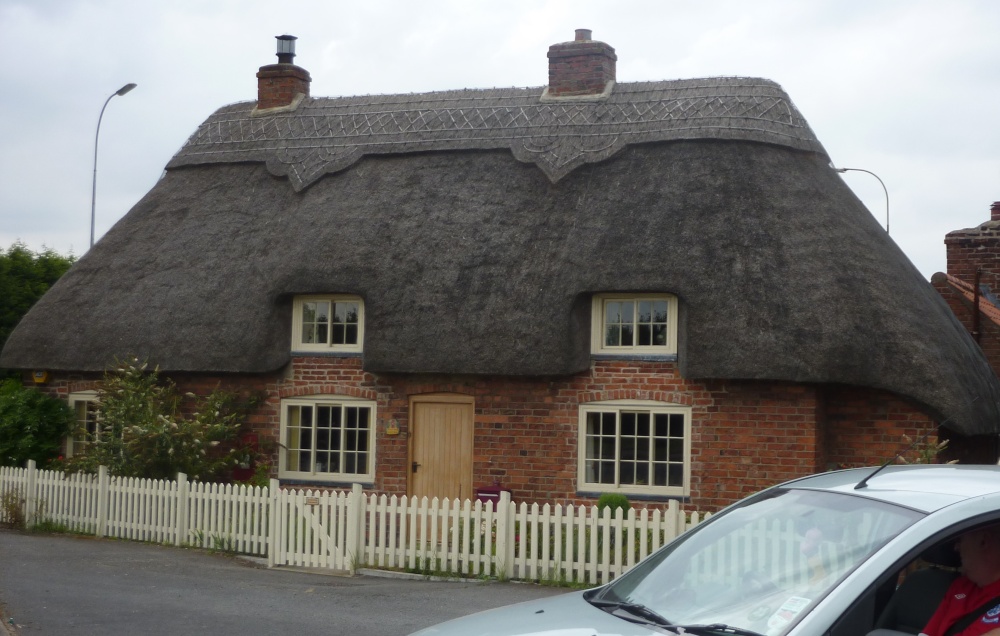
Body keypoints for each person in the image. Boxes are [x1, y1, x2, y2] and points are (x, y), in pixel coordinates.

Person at [921, 526, 1000, 636]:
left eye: (960, 540)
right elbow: (928, 634)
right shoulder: (960, 586)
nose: (956, 547)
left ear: (983, 541)